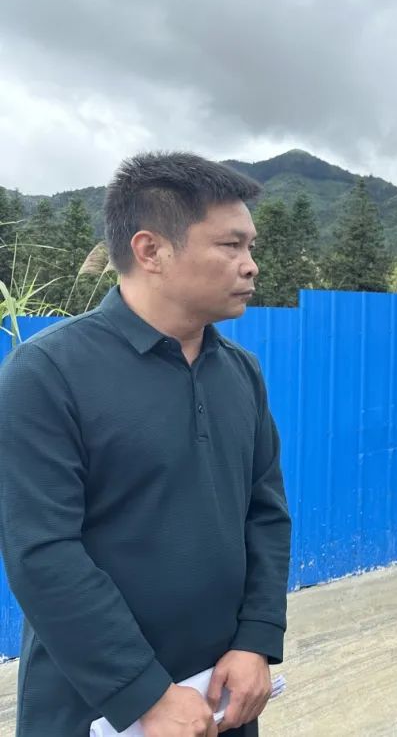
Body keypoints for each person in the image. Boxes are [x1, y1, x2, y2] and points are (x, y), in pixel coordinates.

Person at [0, 152, 292, 737]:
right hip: (98, 711)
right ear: (150, 250)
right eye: (230, 246)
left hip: (222, 695)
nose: (250, 265)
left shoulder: (241, 372)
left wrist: (256, 641)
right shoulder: (48, 372)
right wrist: (144, 694)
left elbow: (265, 516)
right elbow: (43, 553)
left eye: (250, 247)